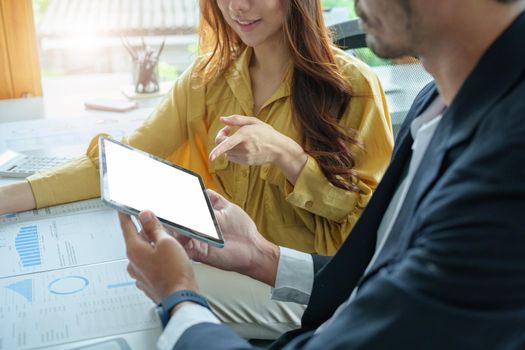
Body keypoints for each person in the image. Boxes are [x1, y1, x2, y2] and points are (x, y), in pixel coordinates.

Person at [118, 0, 525, 348]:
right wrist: (259, 255)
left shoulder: (506, 170)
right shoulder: (434, 103)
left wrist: (179, 299)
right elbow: (367, 273)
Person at [0, 0, 392, 339]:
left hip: (311, 284)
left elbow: (374, 228)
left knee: (140, 294)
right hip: (228, 260)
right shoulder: (208, 78)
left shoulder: (355, 86)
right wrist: (6, 199)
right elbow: (117, 163)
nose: (237, 7)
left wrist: (288, 156)